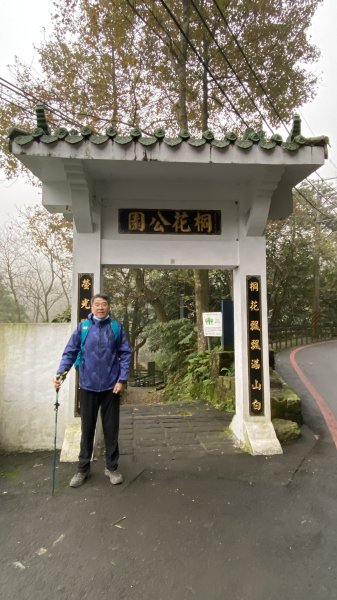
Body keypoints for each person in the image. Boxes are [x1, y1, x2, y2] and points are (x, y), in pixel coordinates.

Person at [53, 293, 132, 488]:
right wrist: (60, 374)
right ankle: (83, 469)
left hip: (111, 387)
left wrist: (121, 380)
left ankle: (112, 467)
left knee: (111, 430)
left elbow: (125, 353)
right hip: (87, 386)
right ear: (91, 307)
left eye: (104, 304)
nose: (100, 308)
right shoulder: (83, 328)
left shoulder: (116, 328)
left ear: (109, 307)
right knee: (87, 429)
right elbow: (70, 351)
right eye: (97, 304)